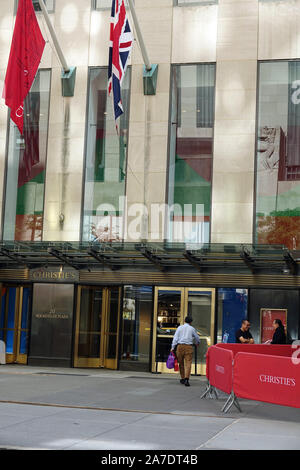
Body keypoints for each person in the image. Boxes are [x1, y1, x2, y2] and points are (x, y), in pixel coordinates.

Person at [171, 316, 200, 387]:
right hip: (189, 347)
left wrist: (172, 347)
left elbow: (175, 338)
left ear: (184, 321)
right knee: (188, 363)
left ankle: (183, 378)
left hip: (180, 346)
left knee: (181, 363)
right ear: (191, 322)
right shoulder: (192, 329)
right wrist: (197, 343)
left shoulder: (179, 328)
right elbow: (197, 337)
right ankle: (187, 378)